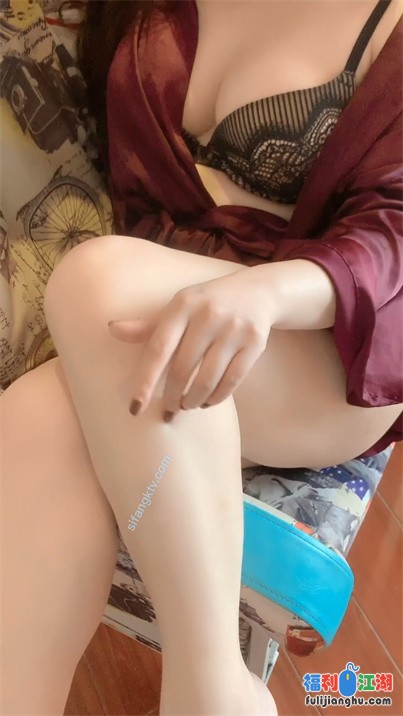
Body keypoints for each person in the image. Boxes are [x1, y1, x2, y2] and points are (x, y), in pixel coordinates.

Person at [2, 1, 402, 714]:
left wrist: (270, 292)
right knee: (38, 415)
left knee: (98, 282)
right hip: (133, 318)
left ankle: (208, 679)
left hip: (317, 346)